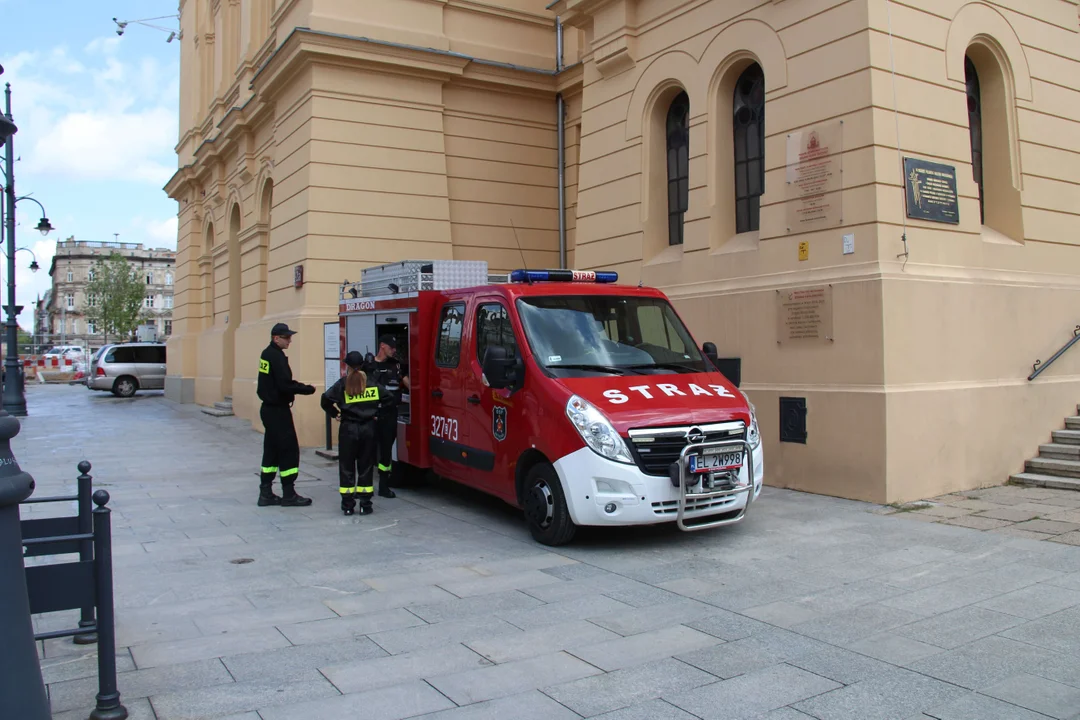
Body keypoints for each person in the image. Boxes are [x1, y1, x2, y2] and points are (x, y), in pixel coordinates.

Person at [257, 322, 317, 507]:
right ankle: (289, 494)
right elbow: (284, 384)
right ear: (276, 338)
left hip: (270, 408)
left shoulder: (267, 354)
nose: (290, 340)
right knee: (289, 449)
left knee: (272, 450)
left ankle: (266, 492)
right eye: (287, 337)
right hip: (277, 410)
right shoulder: (275, 356)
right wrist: (306, 389)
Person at [321, 351, 388, 515]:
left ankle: (348, 505)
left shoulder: (342, 384)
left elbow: (325, 400)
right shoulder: (371, 384)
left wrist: (335, 413)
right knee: (365, 466)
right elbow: (390, 398)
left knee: (346, 467)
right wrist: (377, 413)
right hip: (368, 428)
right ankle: (365, 504)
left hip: (348, 429)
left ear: (347, 366)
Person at [363, 334, 409, 498]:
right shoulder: (368, 366)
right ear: (382, 346)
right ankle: (364, 487)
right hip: (372, 415)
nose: (394, 350)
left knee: (386, 452)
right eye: (391, 347)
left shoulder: (395, 365)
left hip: (390, 414)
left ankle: (383, 486)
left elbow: (407, 382)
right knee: (367, 452)